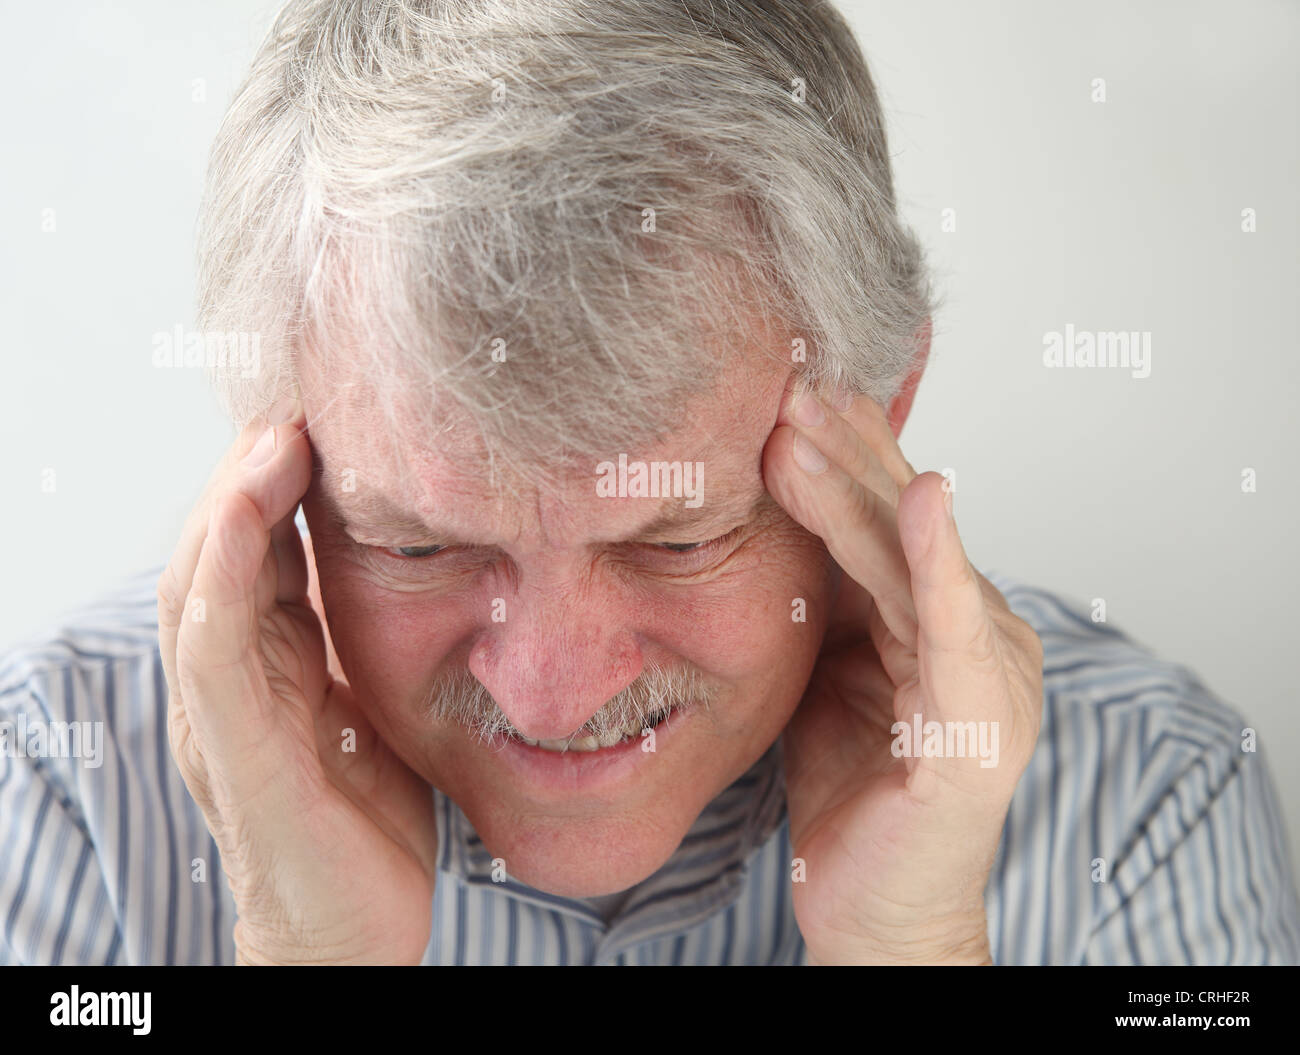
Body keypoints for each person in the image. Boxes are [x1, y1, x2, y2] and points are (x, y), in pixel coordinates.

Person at [2, 0, 1296, 966]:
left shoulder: (1152, 799)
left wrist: (916, 950)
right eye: (416, 547)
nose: (555, 692)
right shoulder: (54, 794)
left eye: (675, 542)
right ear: (268, 449)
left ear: (880, 412)